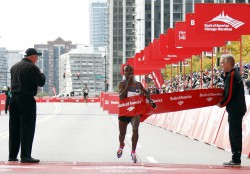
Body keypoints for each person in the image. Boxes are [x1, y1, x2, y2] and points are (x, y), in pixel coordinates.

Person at [9, 48, 46, 163]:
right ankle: (25, 156)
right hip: (26, 99)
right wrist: (42, 74)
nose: (37, 59)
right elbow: (40, 82)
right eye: (36, 56)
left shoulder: (14, 67)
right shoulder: (32, 67)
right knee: (27, 127)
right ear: (31, 56)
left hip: (13, 99)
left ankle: (12, 155)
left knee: (14, 127)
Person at [117, 64, 156, 163]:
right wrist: (128, 85)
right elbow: (121, 97)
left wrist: (150, 100)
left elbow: (146, 92)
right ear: (124, 73)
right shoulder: (121, 83)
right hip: (124, 111)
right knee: (122, 133)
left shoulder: (138, 84)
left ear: (133, 72)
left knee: (135, 128)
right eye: (127, 71)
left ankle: (133, 151)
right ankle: (122, 145)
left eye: (131, 71)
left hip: (135, 111)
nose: (129, 73)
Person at [217, 54, 246, 167]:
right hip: (236, 108)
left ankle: (236, 159)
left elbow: (229, 94)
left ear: (229, 63)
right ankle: (235, 158)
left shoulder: (233, 75)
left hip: (235, 108)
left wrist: (222, 104)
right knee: (234, 133)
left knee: (234, 134)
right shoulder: (231, 74)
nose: (221, 65)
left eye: (222, 62)